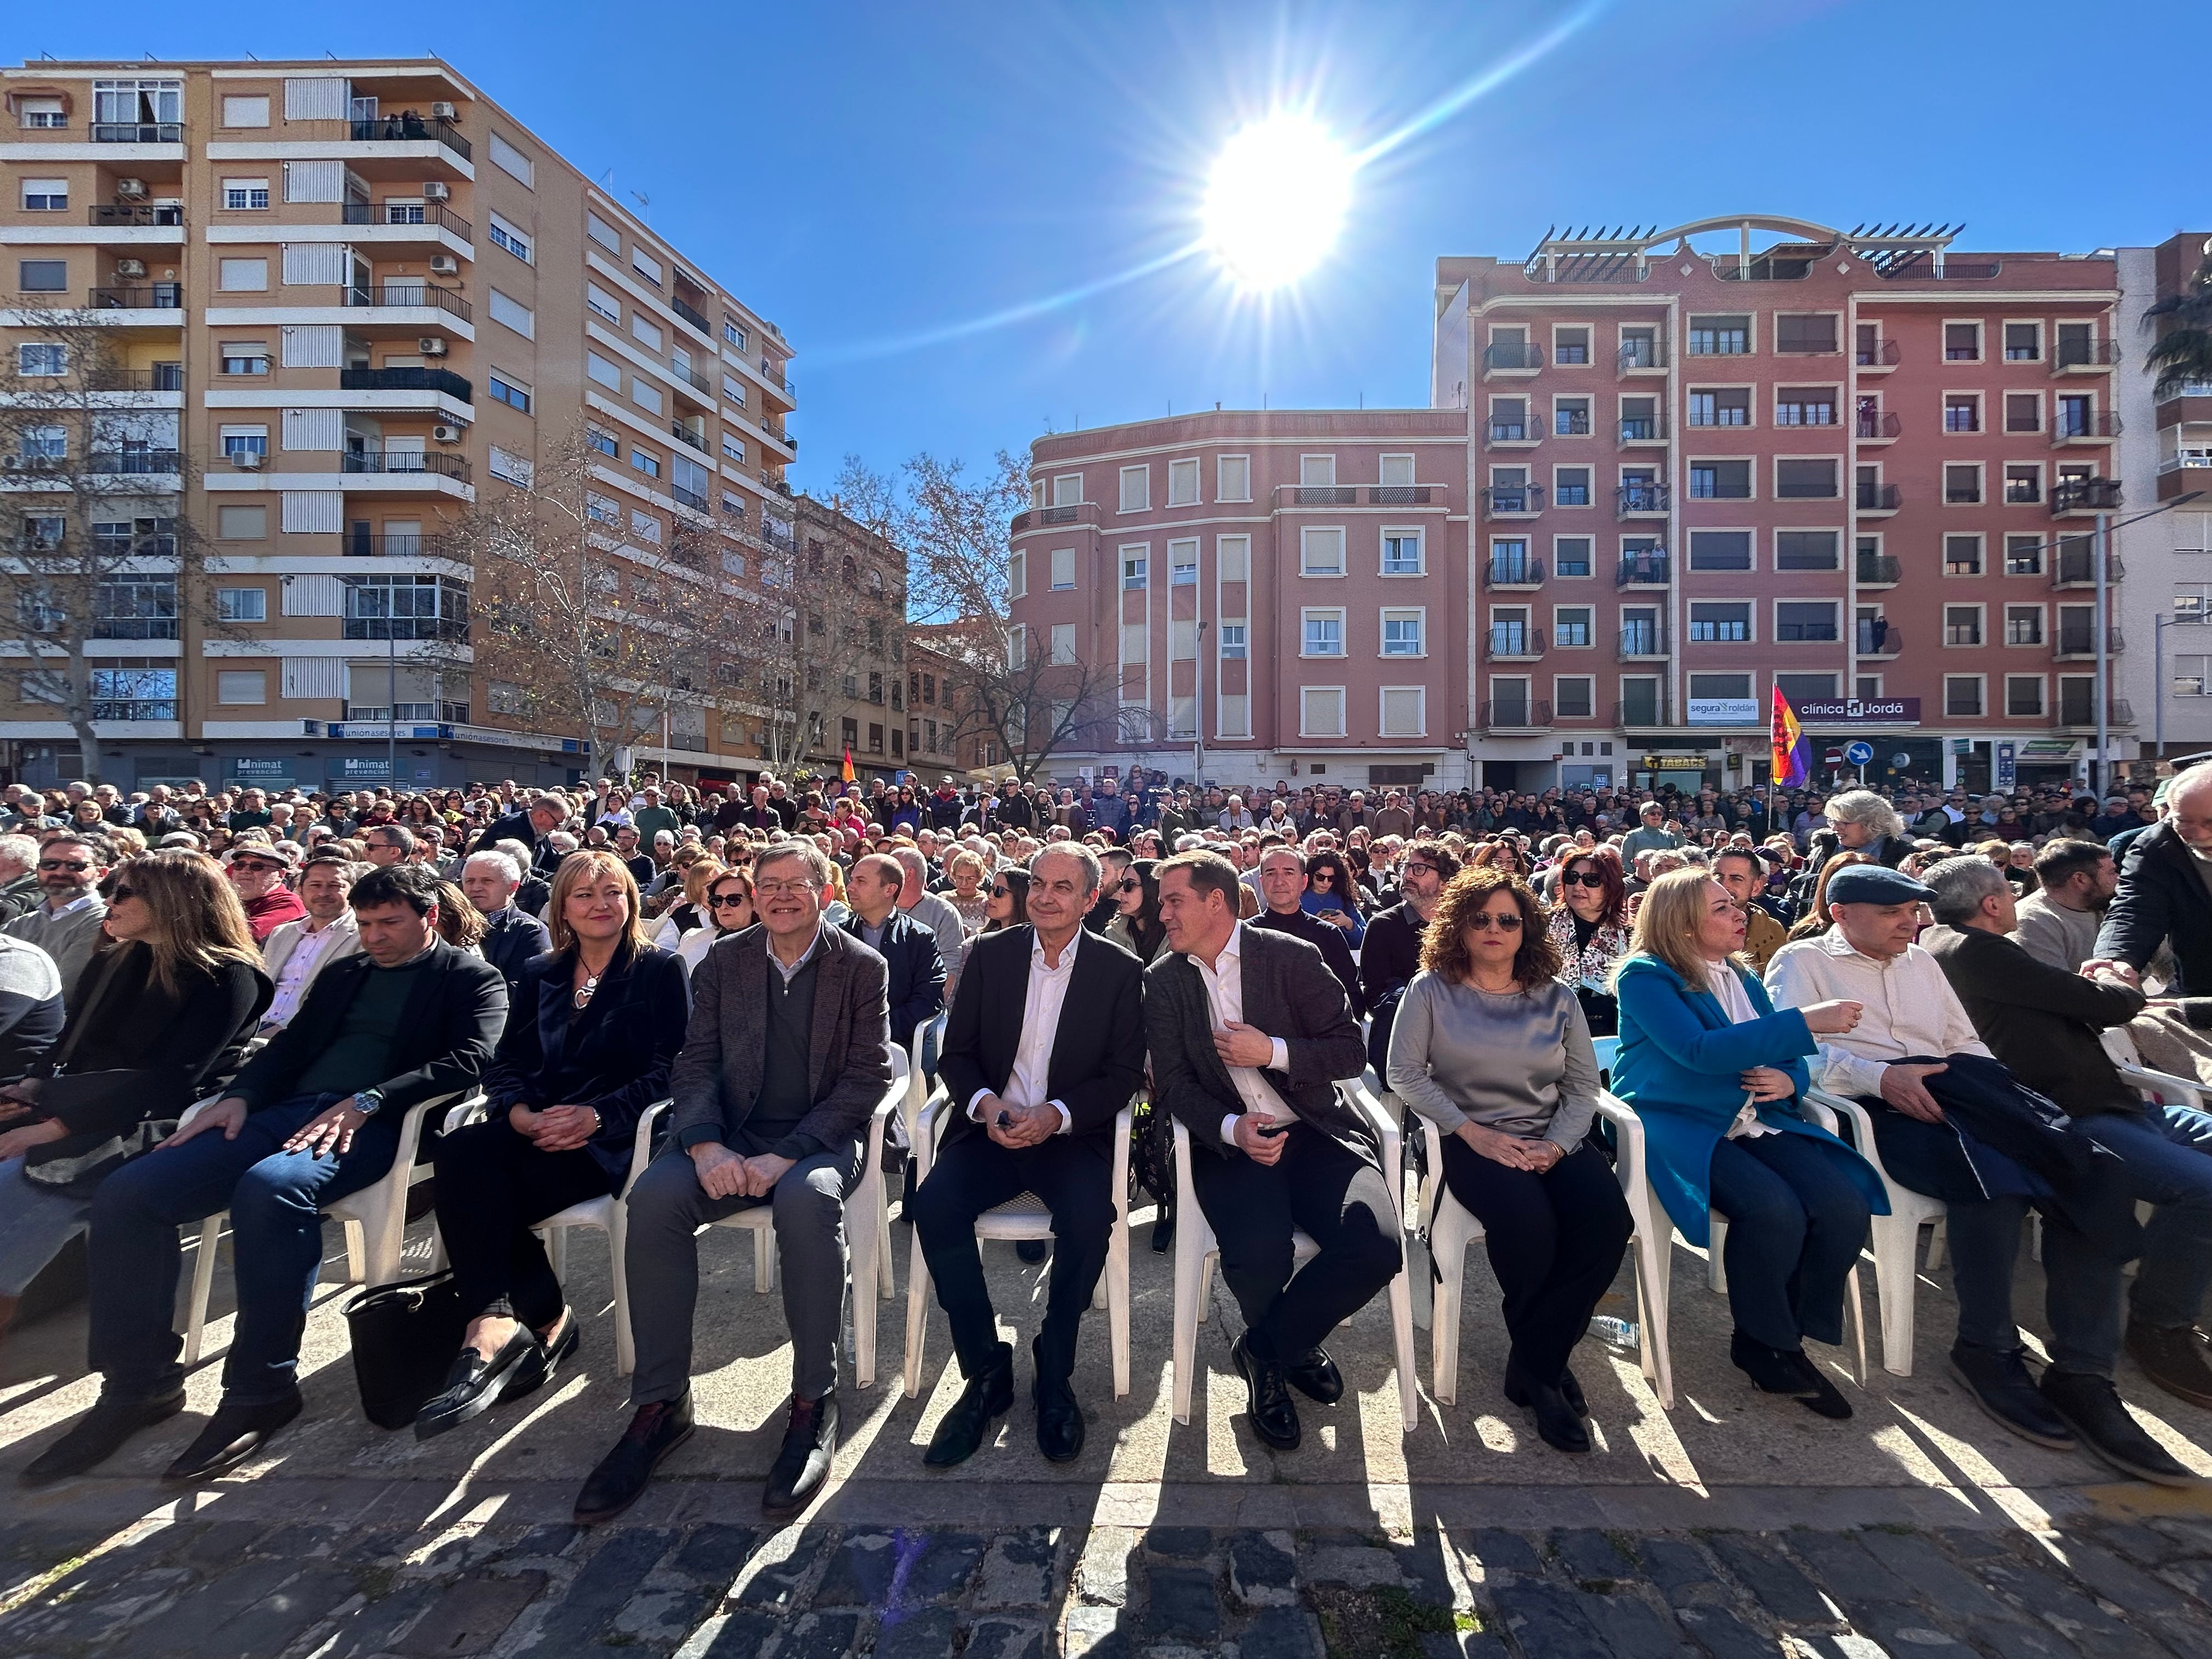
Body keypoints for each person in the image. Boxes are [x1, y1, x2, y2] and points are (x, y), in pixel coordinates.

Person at [25, 864, 507, 1486]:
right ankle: (139, 1382)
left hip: (375, 1123)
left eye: (390, 923)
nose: (375, 937)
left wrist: (369, 1101)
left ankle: (261, 1387)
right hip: (285, 1110)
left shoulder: (470, 977)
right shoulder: (347, 973)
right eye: (364, 925)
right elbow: (287, 1048)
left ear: (429, 918)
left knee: (271, 1191)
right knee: (130, 1193)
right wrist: (242, 1095)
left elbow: (473, 1057)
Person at [1768, 863, 2194, 1485]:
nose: (1909, 923)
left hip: (1957, 1091)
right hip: (1879, 1111)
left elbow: (1966, 1043)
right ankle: (1986, 1347)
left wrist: (1988, 1091)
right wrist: (1880, 1076)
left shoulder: (1920, 962)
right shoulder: (1803, 962)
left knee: (2088, 1171)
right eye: (1892, 913)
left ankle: (2084, 1372)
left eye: (1913, 911)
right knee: (1995, 1181)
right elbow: (1794, 1047)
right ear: (1842, 913)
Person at [577, 842, 889, 1525]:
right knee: (653, 1200)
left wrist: (792, 1154)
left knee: (807, 1203)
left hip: (818, 1138)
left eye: (796, 884)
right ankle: (661, 1404)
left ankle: (813, 1401)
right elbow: (695, 1063)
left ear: (825, 889)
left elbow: (868, 1078)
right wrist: (707, 1144)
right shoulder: (726, 959)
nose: (780, 896)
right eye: (767, 884)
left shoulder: (862, 966)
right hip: (732, 1133)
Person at [1920, 855, 2212, 1415]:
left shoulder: (1963, 949)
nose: (2016, 899)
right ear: (1992, 903)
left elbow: (2060, 1002)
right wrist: (2114, 980)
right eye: (2009, 891)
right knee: (2203, 1189)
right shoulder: (1971, 949)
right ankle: (2160, 1324)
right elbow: (2103, 1006)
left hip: (2122, 1105)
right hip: (2079, 1116)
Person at [416, 851, 690, 1438]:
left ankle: (528, 1321)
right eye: (584, 895)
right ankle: (505, 1320)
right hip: (534, 1128)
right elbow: (506, 1059)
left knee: (485, 1196)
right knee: (460, 1153)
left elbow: (677, 1069)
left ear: (631, 901)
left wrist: (597, 1116)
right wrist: (515, 1112)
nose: (599, 905)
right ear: (562, 906)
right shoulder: (540, 971)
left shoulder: (659, 969)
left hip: (612, 1141)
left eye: (611, 892)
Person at [1144, 850, 1393, 1451]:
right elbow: (1172, 1084)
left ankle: (1263, 1351)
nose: (1164, 913)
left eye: (1174, 900)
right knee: (1258, 1255)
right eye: (1162, 903)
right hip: (1226, 1145)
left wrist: (1274, 1051)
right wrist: (1232, 1129)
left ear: (1216, 902)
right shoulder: (1164, 979)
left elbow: (1347, 1052)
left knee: (1376, 1245)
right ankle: (1293, 1349)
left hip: (1313, 1133)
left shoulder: (1291, 957)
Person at [1613, 868, 1883, 1419]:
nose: (1740, 913)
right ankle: (1766, 1346)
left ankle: (1786, 1329)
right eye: (1721, 907)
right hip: (1680, 1122)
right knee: (1772, 1209)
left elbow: (1788, 1060)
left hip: (1756, 1117)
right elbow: (1700, 1052)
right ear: (1684, 924)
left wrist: (1792, 1081)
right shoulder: (1645, 976)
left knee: (1842, 1203)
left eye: (1735, 903)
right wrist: (1804, 1021)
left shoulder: (1741, 975)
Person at [912, 844, 1143, 1466]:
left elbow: (1122, 1075)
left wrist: (1057, 1116)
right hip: (990, 1130)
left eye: (1062, 887)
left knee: (1091, 1219)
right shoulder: (990, 955)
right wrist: (988, 1108)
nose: (1044, 896)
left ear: (1091, 900)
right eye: (1037, 883)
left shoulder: (1119, 972)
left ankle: (1055, 1367)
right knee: (932, 1208)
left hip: (1069, 1137)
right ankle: (987, 1370)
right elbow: (955, 1056)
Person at [1387, 866, 1630, 1452]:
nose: (1494, 929)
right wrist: (1473, 1133)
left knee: (1607, 1223)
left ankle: (1535, 1362)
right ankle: (1545, 1376)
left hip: (1552, 1134)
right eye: (1480, 919)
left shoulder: (1557, 996)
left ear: (1527, 929)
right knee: (1531, 1229)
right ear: (1459, 926)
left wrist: (1558, 1144)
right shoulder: (1431, 990)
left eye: (1507, 920)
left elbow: (1581, 1088)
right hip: (1470, 1139)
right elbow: (1403, 1075)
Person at [0, 856, 258, 1347]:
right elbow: (68, 1042)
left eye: (122, 894)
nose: (107, 901)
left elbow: (172, 1081)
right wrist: (28, 1088)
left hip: (151, 1124)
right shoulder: (115, 958)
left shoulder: (229, 977)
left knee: (18, 1182)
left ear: (169, 903)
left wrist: (52, 1129)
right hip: (79, 1106)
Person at [842, 853, 946, 1053]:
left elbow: (928, 999)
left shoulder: (919, 938)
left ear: (889, 889)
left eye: (861, 881)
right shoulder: (838, 935)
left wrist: (879, 1029)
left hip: (896, 1046)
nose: (850, 887)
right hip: (841, 1046)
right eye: (852, 879)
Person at [1251, 848, 1364, 1017]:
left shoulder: (1328, 934)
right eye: (1271, 874)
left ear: (1304, 882)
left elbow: (1351, 995)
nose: (1279, 882)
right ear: (1261, 881)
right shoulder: (1247, 934)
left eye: (1289, 873)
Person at [258, 855, 362, 1032]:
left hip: (306, 1035)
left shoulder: (364, 937)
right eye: (315, 885)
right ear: (300, 891)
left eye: (335, 886)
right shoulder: (281, 934)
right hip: (254, 1028)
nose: (323, 893)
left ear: (352, 891)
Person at [4, 832, 110, 997]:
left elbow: (65, 990)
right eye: (50, 864)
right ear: (38, 869)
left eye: (76, 866)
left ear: (101, 874)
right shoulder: (20, 924)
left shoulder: (105, 922)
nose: (60, 872)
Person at [1545, 851, 1632, 1037]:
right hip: (1548, 1026)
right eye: (1572, 877)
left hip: (1609, 1031)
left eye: (1591, 880)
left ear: (1611, 887)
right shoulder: (1540, 926)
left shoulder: (1629, 934)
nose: (1578, 886)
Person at [2012, 839, 2115, 974]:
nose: (2118, 878)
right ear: (2080, 879)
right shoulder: (2032, 923)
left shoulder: (2103, 903)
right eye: (2112, 872)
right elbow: (2056, 989)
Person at [460, 850, 552, 994]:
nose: (476, 888)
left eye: (487, 881)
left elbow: (522, 990)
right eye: (470, 881)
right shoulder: (452, 925)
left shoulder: (531, 931)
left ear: (513, 887)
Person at [1714, 848, 1788, 974]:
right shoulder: (1687, 926)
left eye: (1736, 879)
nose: (1724, 885)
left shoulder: (1773, 930)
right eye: (1717, 877)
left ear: (1756, 888)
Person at [225, 842, 307, 943]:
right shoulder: (227, 898)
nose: (244, 871)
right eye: (239, 865)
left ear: (280, 875)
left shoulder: (289, 903)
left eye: (257, 866)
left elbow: (245, 936)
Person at [679, 868, 753, 975]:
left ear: (754, 902)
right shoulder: (693, 940)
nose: (724, 907)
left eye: (733, 899)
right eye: (717, 900)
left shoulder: (773, 944)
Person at [1824, 790, 1912, 870]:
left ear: (1871, 823)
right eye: (1833, 821)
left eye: (1843, 822)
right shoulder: (1826, 849)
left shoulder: (1906, 856)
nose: (1834, 828)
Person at [1103, 857, 1167, 964]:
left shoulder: (1177, 935)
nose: (1121, 891)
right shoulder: (1112, 935)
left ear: (1152, 888)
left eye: (1129, 885)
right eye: (1121, 884)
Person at [1300, 849, 1365, 946]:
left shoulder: (1344, 898)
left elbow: (1364, 939)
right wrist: (1314, 925)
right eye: (1320, 877)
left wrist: (1348, 923)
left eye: (1331, 878)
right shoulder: (1298, 897)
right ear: (1310, 875)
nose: (1325, 883)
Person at [981, 867, 1031, 933]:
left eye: (999, 890)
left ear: (1020, 896)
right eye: (992, 888)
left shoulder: (1034, 941)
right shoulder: (984, 939)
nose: (990, 896)